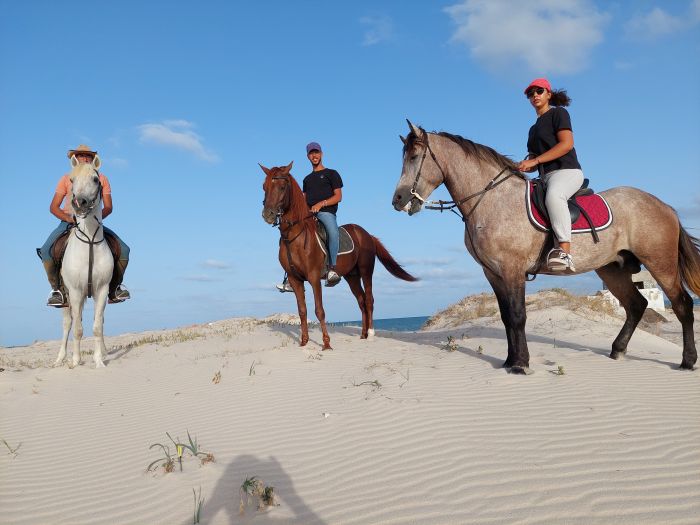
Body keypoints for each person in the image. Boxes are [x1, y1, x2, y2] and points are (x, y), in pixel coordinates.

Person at [38, 144, 131, 306]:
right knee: (46, 250)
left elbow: (108, 207)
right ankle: (57, 290)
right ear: (76, 159)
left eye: (88, 156)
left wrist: (94, 218)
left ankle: (115, 288)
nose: (84, 158)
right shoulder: (66, 179)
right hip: (69, 221)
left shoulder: (102, 179)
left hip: (94, 221)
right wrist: (69, 219)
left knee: (124, 249)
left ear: (93, 159)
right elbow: (53, 207)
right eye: (81, 156)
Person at [517, 78, 584, 272]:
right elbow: (533, 158)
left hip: (567, 171)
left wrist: (536, 161)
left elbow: (566, 144)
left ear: (548, 94)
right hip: (544, 176)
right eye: (531, 93)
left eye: (539, 91)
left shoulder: (559, 113)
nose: (535, 95)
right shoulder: (532, 129)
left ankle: (564, 251)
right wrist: (522, 166)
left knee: (555, 195)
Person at [277, 141, 343, 291]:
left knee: (333, 232)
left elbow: (338, 196)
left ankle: (332, 269)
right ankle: (289, 277)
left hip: (326, 213)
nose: (315, 155)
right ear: (308, 156)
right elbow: (303, 200)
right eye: (311, 153)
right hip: (309, 214)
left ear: (322, 154)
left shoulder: (332, 174)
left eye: (317, 152)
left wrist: (321, 204)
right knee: (288, 235)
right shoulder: (307, 179)